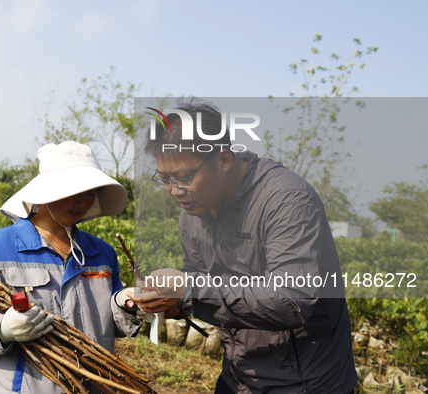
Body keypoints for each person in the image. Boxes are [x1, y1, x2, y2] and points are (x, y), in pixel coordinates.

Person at [129, 100, 357, 393]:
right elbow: (204, 286)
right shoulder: (192, 212)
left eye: (185, 177)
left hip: (305, 383)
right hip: (239, 378)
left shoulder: (286, 199)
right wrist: (172, 302)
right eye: (165, 180)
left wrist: (188, 290)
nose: (175, 191)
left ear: (223, 160)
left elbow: (291, 301)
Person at [0, 141, 142, 394]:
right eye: (72, 191)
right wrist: (3, 330)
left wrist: (126, 304)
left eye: (90, 193)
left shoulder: (102, 253)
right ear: (46, 191)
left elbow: (113, 324)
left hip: (95, 385)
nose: (82, 202)